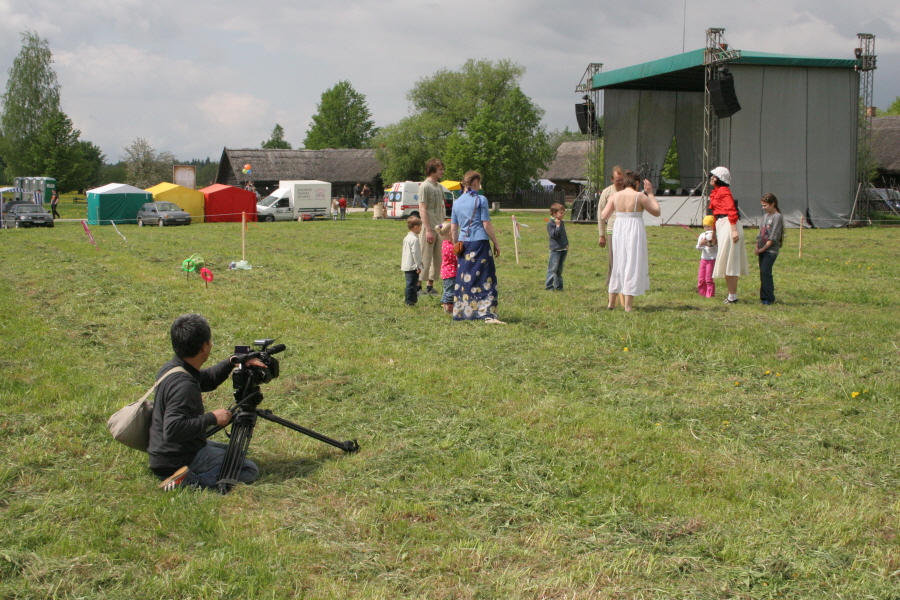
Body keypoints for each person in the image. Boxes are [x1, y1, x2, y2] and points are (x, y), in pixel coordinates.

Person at [150, 314, 264, 490]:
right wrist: (212, 418)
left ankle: (183, 473)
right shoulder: (184, 386)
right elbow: (173, 429)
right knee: (248, 469)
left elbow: (207, 379)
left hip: (168, 451)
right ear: (204, 346)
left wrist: (232, 361)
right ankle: (182, 480)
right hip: (176, 459)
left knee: (236, 454)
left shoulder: (174, 368)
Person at [599, 171, 661, 312]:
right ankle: (627, 306)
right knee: (632, 263)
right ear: (637, 183)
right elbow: (657, 211)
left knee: (618, 263)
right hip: (634, 228)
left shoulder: (615, 196)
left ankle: (611, 304)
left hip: (619, 228)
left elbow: (603, 215)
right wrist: (650, 193)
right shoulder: (640, 196)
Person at [450, 170, 504, 324]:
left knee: (465, 278)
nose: (480, 186)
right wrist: (496, 242)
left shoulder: (457, 202)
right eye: (479, 183)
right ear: (474, 183)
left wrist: (456, 247)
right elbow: (486, 224)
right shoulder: (481, 200)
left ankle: (464, 312)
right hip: (479, 243)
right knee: (485, 278)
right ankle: (486, 313)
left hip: (463, 244)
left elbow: (454, 229)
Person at [708, 166, 748, 304]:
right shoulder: (717, 192)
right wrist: (714, 233)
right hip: (722, 225)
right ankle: (732, 295)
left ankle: (733, 296)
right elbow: (715, 214)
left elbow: (731, 210)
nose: (712, 178)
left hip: (729, 225)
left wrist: (734, 230)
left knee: (730, 261)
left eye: (714, 177)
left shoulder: (724, 191)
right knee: (726, 261)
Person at [417, 159, 446, 297]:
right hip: (428, 227)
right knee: (425, 257)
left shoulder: (439, 186)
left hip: (439, 228)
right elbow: (422, 209)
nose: (442, 171)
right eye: (440, 169)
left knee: (437, 258)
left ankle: (430, 286)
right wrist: (428, 229)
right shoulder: (424, 186)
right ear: (433, 169)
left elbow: (441, 207)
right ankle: (418, 287)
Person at [598, 167, 625, 308]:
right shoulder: (607, 192)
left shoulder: (628, 191)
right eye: (617, 180)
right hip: (612, 230)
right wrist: (601, 234)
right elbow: (601, 213)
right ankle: (611, 289)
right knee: (613, 262)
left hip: (626, 231)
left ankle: (625, 290)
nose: (620, 182)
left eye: (622, 180)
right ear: (612, 180)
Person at [755, 193, 784, 305]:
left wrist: (764, 248)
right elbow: (760, 232)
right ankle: (764, 297)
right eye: (762, 206)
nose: (764, 208)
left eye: (765, 205)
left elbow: (774, 236)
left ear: (773, 204)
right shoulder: (765, 216)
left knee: (765, 272)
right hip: (762, 248)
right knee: (763, 273)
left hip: (770, 250)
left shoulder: (777, 217)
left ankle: (769, 298)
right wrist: (757, 245)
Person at [401, 215, 424, 306]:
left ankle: (411, 300)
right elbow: (416, 254)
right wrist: (419, 265)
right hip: (413, 266)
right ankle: (410, 301)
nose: (421, 229)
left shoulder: (407, 238)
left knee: (410, 284)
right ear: (416, 227)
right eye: (420, 227)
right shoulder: (414, 239)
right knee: (412, 285)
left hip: (407, 264)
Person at [546, 203, 568, 291]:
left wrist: (566, 243)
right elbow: (554, 235)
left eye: (563, 213)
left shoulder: (561, 222)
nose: (563, 215)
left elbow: (563, 234)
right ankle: (549, 286)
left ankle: (559, 286)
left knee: (559, 269)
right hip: (555, 249)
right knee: (553, 269)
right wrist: (557, 226)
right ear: (554, 213)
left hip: (563, 248)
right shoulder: (550, 223)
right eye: (561, 213)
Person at [696, 214, 718, 297]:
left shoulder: (716, 235)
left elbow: (718, 249)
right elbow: (698, 247)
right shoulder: (702, 235)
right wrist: (701, 244)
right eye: (704, 226)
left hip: (712, 259)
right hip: (703, 259)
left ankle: (710, 294)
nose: (706, 229)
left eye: (708, 226)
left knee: (708, 278)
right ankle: (702, 293)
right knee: (701, 278)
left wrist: (713, 245)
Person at [438, 221, 456, 313]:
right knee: (450, 292)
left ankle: (446, 305)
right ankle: (448, 308)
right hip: (450, 272)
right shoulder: (448, 246)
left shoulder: (446, 244)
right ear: (450, 233)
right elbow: (455, 257)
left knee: (448, 289)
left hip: (448, 272)